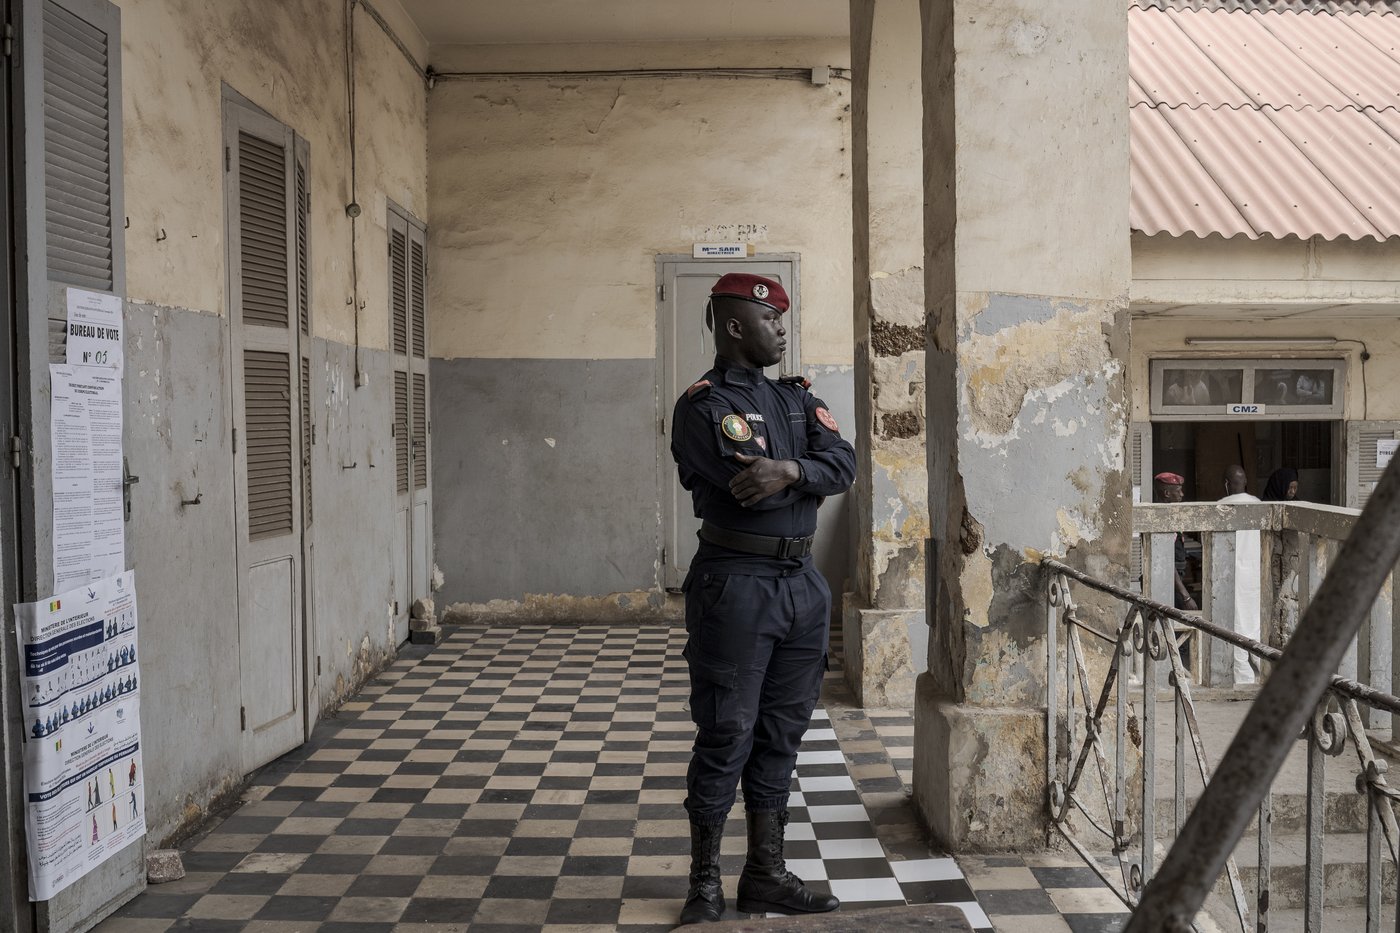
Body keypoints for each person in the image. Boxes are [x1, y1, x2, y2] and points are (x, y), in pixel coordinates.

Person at [670, 272, 855, 924]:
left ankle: (766, 874)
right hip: (737, 584)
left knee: (780, 734)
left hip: (802, 586)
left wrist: (794, 469)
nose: (782, 327)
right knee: (727, 731)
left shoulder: (797, 398)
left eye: (783, 317)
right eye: (770, 318)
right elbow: (750, 483)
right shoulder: (703, 405)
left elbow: (843, 463)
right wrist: (792, 472)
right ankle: (704, 885)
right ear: (735, 326)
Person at [1219, 465, 1262, 685]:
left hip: (1230, 575)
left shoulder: (1220, 507)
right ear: (1245, 482)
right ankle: (1263, 670)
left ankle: (1243, 679)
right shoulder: (1259, 506)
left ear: (1227, 484)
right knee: (1255, 622)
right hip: (1255, 575)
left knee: (1235, 625)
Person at [1154, 472, 1197, 612]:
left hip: (1175, 580)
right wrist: (1185, 596)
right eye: (1178, 491)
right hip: (1169, 582)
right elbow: (1166, 561)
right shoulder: (1161, 520)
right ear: (1167, 493)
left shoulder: (1170, 516)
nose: (1182, 495)